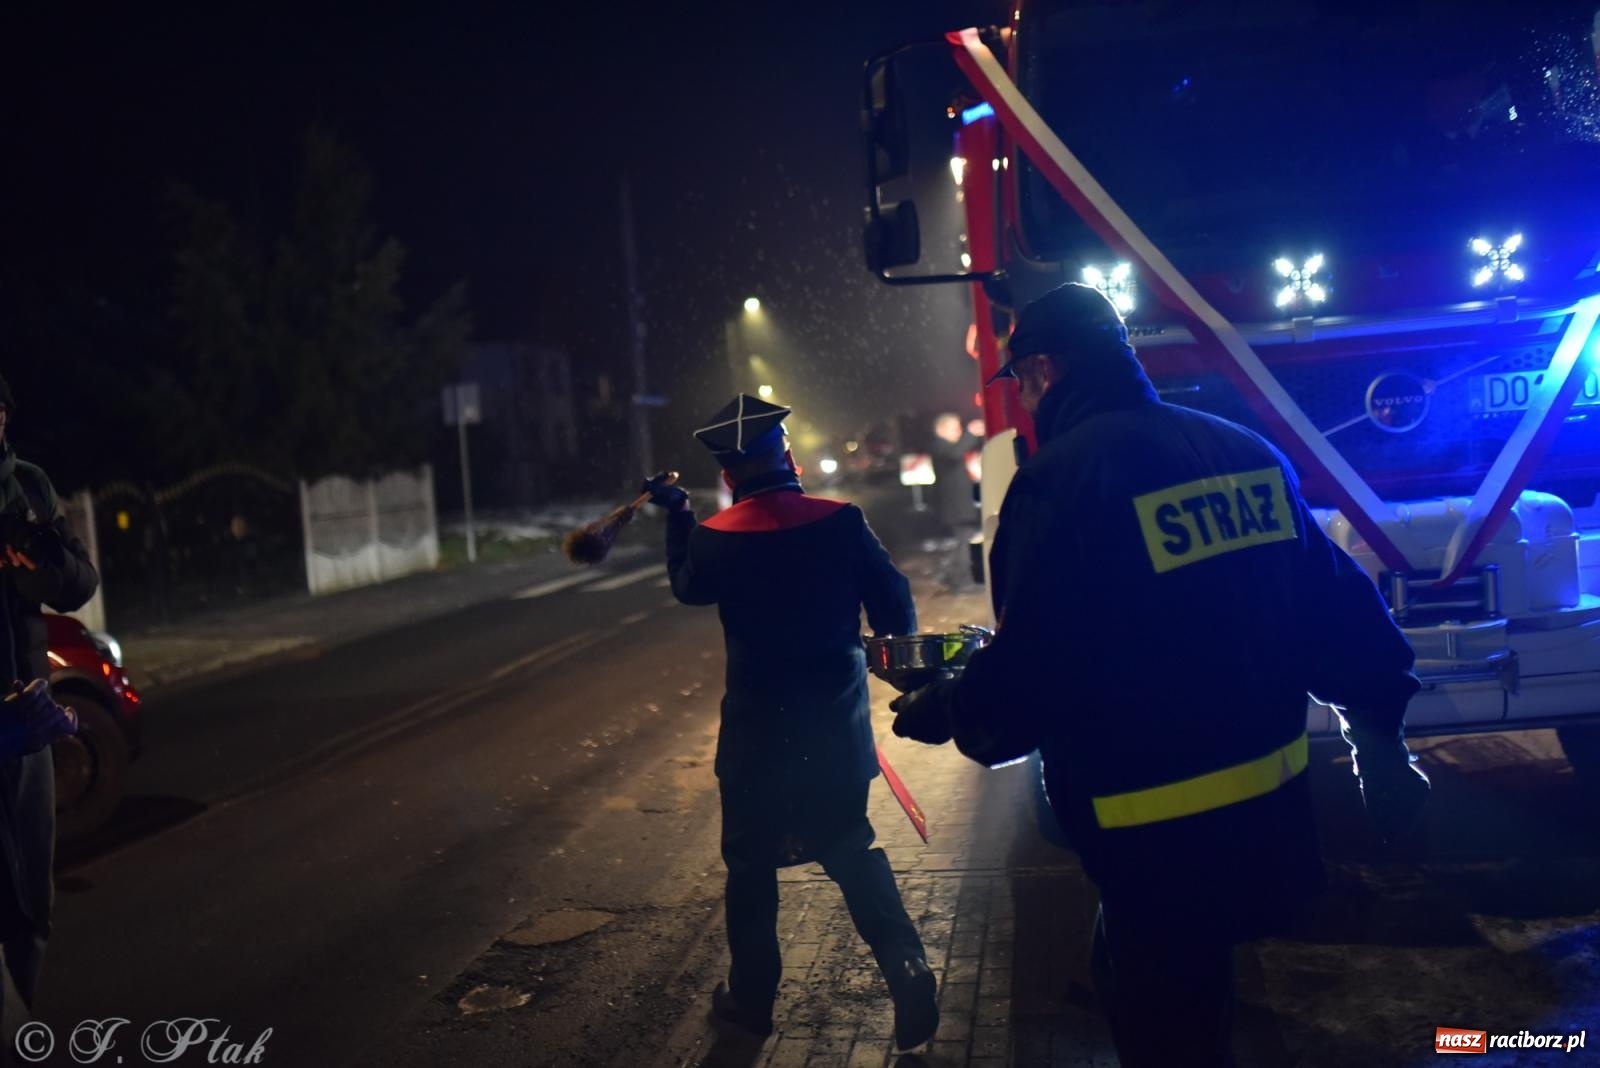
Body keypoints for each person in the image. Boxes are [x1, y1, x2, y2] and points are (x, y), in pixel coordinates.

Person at [888, 285, 1429, 1067]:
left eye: (1024, 382)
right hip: (1266, 813)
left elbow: (1036, 674)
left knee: (1166, 1024)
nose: (1027, 399)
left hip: (1152, 837)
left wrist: (950, 707)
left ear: (1043, 370)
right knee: (1195, 1002)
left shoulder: (1060, 483)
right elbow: (1341, 615)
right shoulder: (1245, 452)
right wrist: (1384, 749)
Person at [643, 393, 940, 1052]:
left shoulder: (717, 540)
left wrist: (678, 514)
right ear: (789, 459)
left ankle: (752, 1003)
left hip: (756, 742)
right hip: (834, 732)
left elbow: (688, 585)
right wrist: (893, 656)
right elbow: (894, 599)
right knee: (850, 847)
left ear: (729, 476)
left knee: (750, 869)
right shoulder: (840, 521)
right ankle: (907, 963)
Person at [0, 372, 96, 1037]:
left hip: (26, 721)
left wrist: (30, 560)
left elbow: (77, 583)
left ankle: (18, 1018)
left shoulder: (29, 488)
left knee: (32, 898)